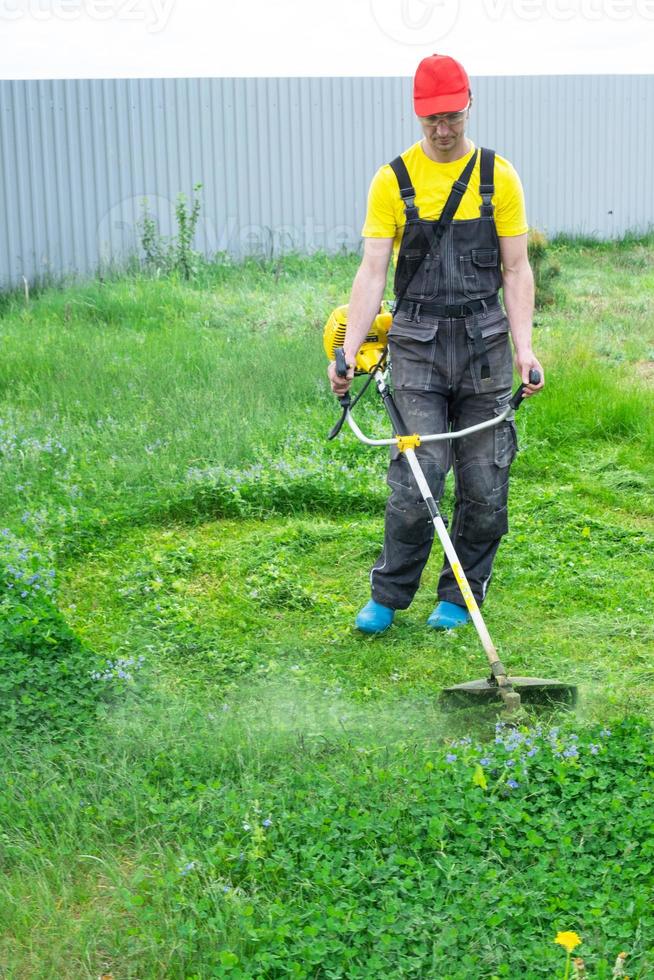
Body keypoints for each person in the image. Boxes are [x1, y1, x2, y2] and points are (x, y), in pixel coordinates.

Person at [328, 53, 544, 634]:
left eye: (452, 117)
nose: (443, 130)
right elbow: (373, 271)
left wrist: (525, 350)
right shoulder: (391, 180)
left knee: (484, 480)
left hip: (485, 349)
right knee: (417, 473)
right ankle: (389, 596)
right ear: (417, 116)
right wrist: (347, 350)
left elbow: (517, 269)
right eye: (432, 121)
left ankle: (460, 596)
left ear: (468, 104)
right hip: (417, 346)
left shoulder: (499, 176)